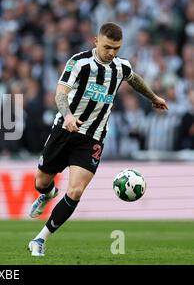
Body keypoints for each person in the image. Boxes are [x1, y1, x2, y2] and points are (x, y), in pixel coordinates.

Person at [27, 22, 169, 257]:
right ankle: (48, 193)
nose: (112, 53)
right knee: (41, 182)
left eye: (116, 48)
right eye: (107, 47)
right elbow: (60, 93)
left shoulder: (120, 67)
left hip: (93, 137)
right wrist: (68, 116)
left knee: (75, 191)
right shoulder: (79, 62)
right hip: (65, 130)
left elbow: (133, 79)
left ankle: (40, 239)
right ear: (96, 41)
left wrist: (153, 97)